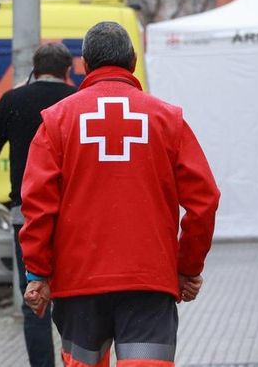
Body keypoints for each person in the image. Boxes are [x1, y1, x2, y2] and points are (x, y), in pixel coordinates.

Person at [19, 21, 220, 367]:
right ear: (132, 62)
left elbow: (37, 205)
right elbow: (204, 201)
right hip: (149, 283)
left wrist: (38, 273)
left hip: (78, 285)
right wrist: (186, 267)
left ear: (85, 64)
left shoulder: (57, 121)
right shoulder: (167, 119)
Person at [0, 42, 76, 367]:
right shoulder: (76, 102)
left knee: (35, 300)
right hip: (73, 217)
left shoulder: (14, 100)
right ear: (68, 71)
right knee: (73, 298)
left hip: (27, 217)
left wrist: (14, 98)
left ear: (34, 70)